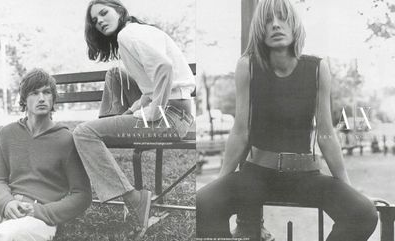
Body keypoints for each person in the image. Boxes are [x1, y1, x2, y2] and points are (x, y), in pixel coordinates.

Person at [196, 0, 378, 240]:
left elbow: (325, 134)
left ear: (295, 25)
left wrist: (346, 185)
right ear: (260, 29)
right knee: (203, 204)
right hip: (257, 174)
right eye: (268, 20)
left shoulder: (317, 68)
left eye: (282, 18)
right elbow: (240, 132)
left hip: (305, 176)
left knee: (363, 213)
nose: (276, 25)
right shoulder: (247, 66)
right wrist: (220, 184)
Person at [74, 0, 195, 237]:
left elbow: (164, 68)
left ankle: (136, 200)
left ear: (119, 11)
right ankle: (108, 130)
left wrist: (153, 112)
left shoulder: (128, 35)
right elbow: (151, 87)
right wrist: (133, 111)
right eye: (95, 21)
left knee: (83, 132)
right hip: (178, 114)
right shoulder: (136, 32)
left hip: (170, 117)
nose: (99, 21)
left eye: (103, 13)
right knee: (115, 73)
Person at [0, 69, 92, 241]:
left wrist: (40, 211)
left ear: (53, 98)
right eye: (34, 93)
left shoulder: (66, 139)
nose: (41, 98)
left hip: (37, 216)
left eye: (47, 92)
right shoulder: (7, 134)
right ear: (24, 99)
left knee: (9, 235)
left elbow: (82, 195)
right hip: (4, 207)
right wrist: (6, 202)